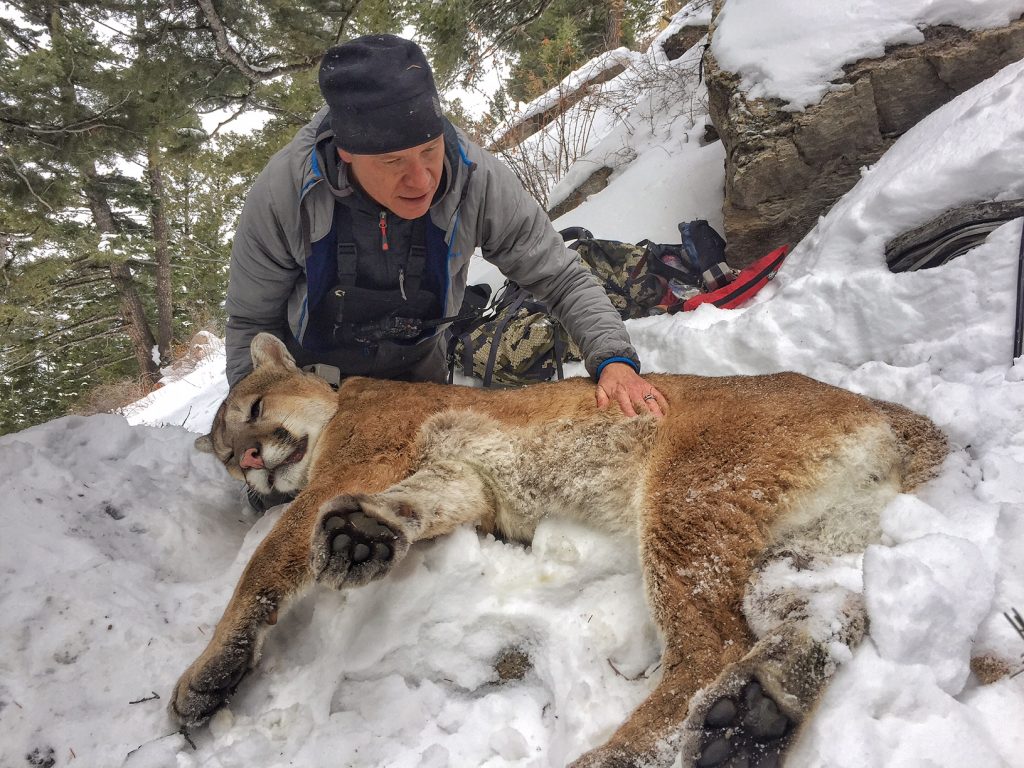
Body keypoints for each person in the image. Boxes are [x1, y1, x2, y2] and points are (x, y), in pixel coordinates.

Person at [224, 33, 666, 420]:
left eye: (429, 150)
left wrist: (613, 359)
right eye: (393, 161)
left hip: (417, 378)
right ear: (347, 154)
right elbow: (251, 323)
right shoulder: (286, 193)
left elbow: (561, 277)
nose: (421, 181)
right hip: (312, 386)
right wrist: (252, 419)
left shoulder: (476, 180)